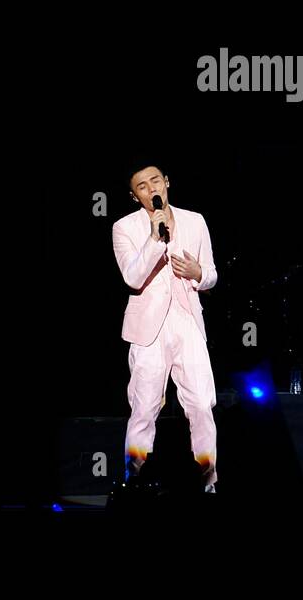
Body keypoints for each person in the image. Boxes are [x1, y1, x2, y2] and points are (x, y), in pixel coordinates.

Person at [112, 163, 220, 493]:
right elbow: (132, 277)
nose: (151, 188)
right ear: (135, 195)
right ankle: (134, 481)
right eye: (142, 186)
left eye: (155, 180)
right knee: (144, 407)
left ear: (167, 182)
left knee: (202, 404)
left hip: (187, 321)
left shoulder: (195, 220)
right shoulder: (124, 227)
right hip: (148, 327)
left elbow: (212, 275)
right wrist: (154, 238)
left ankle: (208, 481)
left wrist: (198, 271)